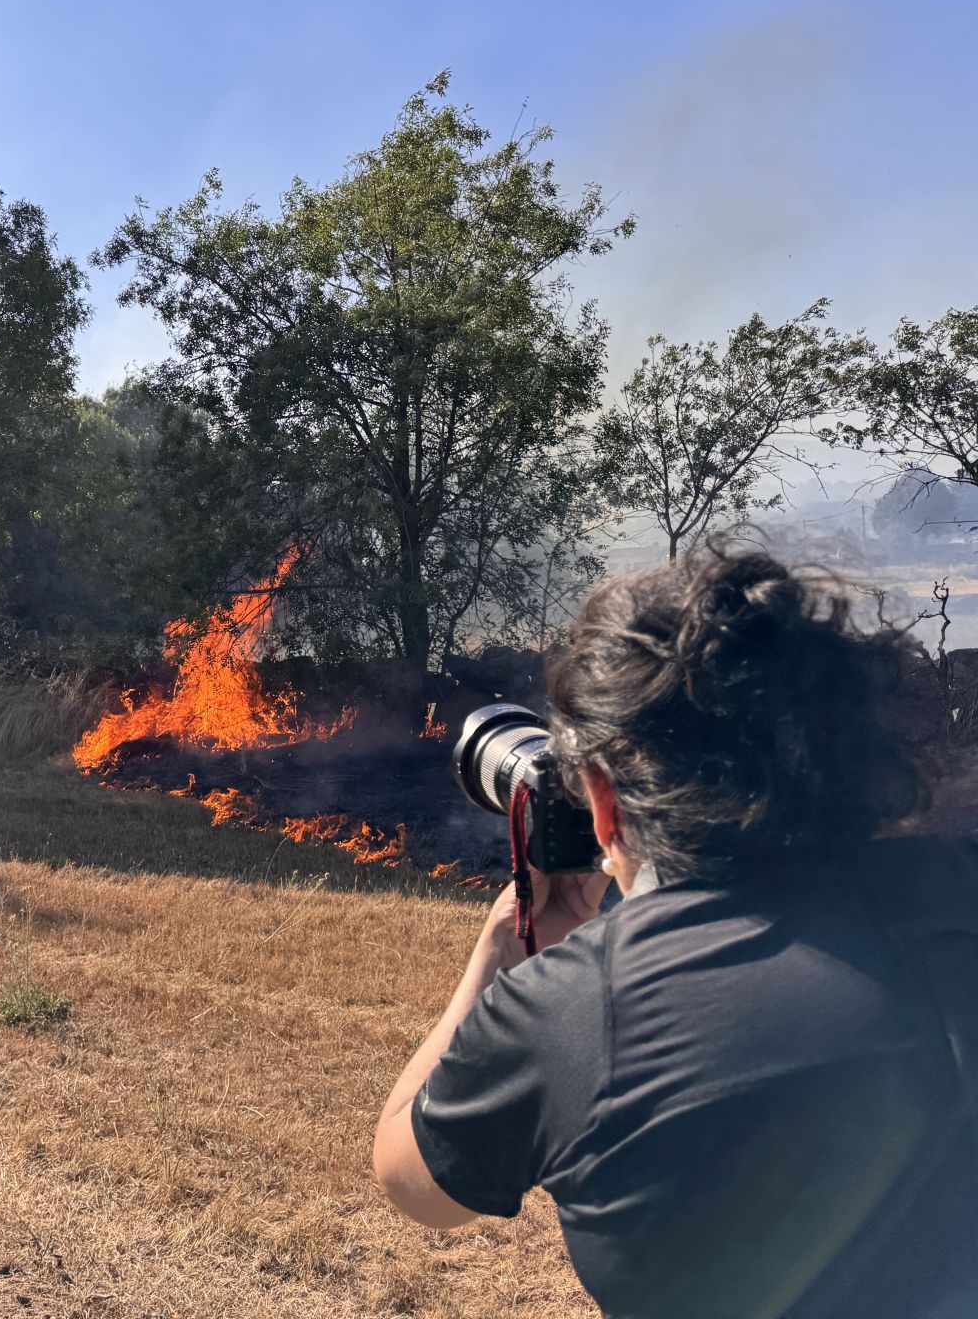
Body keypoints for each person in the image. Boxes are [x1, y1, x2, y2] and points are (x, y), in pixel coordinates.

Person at [373, 547, 978, 1318]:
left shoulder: (577, 1008)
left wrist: (502, 951)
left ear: (602, 802)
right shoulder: (958, 886)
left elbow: (414, 1184)